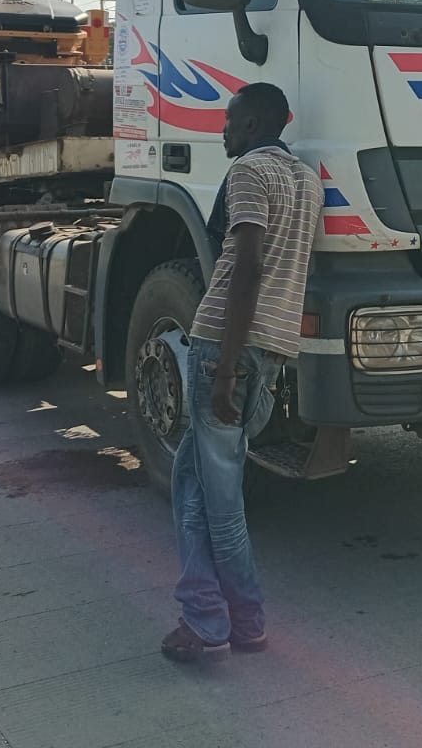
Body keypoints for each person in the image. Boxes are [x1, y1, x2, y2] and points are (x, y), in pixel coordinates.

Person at [161, 82, 323, 664]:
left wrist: (226, 368)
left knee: (219, 499)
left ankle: (220, 620)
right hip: (272, 349)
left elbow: (249, 265)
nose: (222, 131)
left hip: (225, 348)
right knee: (191, 480)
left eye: (229, 121)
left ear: (253, 124)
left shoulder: (250, 172)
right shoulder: (307, 181)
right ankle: (225, 617)